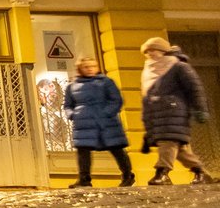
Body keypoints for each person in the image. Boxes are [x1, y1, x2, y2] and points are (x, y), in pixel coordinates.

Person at [138, 36, 215, 186]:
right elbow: (147, 98)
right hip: (157, 115)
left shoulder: (179, 66)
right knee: (177, 149)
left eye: (153, 50)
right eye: (147, 51)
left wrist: (200, 109)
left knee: (168, 142)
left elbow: (194, 88)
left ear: (163, 50)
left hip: (174, 111)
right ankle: (201, 173)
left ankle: (162, 173)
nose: (150, 54)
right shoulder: (148, 70)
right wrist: (148, 128)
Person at [63, 56, 135, 188]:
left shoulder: (106, 82)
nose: (90, 69)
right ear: (80, 69)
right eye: (86, 67)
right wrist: (72, 115)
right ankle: (84, 179)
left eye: (93, 66)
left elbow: (116, 100)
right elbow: (68, 105)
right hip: (84, 123)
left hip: (106, 123)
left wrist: (106, 113)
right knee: (83, 151)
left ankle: (127, 175)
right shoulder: (72, 86)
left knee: (116, 148)